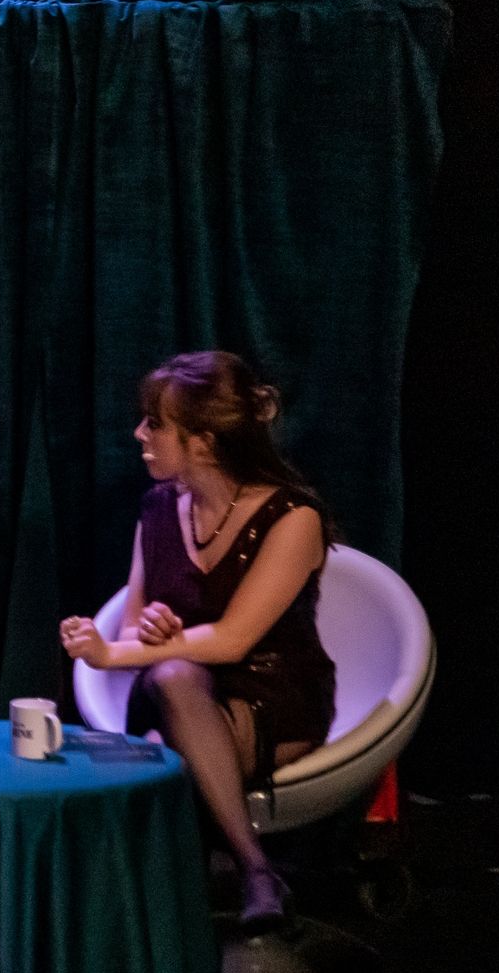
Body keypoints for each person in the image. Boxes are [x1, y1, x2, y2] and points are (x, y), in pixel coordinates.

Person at [59, 351, 337, 928]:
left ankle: (210, 889)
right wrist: (152, 632)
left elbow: (234, 641)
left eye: (155, 424)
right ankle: (249, 875)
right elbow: (135, 626)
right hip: (177, 691)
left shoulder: (293, 517)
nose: (139, 434)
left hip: (271, 697)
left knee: (159, 745)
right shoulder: (160, 508)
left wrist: (113, 653)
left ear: (204, 444)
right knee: (173, 682)